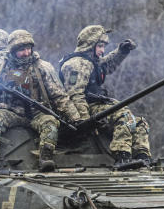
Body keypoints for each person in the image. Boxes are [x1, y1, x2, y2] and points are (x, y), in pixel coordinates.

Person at [0, 29, 79, 172]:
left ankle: (46, 158)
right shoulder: (0, 68)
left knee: (50, 122)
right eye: (21, 50)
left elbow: (59, 96)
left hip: (38, 113)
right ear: (12, 51)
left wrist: (76, 119)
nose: (26, 53)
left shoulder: (43, 67)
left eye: (28, 49)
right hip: (11, 112)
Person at [59, 24, 151, 165]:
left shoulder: (91, 62)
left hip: (98, 105)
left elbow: (107, 65)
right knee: (123, 116)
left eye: (103, 46)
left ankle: (142, 156)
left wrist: (121, 52)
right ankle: (122, 156)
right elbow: (74, 95)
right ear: (90, 45)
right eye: (100, 46)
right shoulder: (77, 64)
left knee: (138, 122)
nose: (102, 51)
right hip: (86, 109)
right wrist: (85, 122)